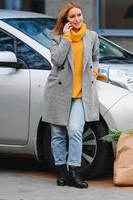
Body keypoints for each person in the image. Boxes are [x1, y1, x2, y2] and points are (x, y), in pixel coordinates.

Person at [42, 1, 100, 189]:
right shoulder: (57, 37)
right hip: (58, 92)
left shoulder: (91, 36)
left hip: (81, 94)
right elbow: (56, 60)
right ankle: (61, 172)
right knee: (57, 134)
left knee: (75, 130)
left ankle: (74, 171)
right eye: (72, 16)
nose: (76, 19)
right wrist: (66, 39)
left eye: (79, 15)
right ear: (65, 20)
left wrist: (94, 73)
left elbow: (96, 58)